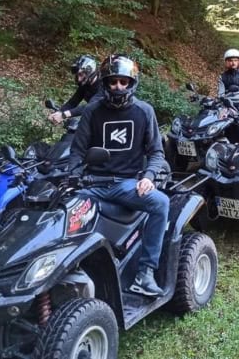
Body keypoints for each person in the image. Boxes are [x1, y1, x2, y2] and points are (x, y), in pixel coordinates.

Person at [68, 55, 169, 297]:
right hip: (92, 183)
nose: (118, 87)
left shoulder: (144, 111)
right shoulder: (92, 110)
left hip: (127, 184)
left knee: (161, 203)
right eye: (113, 82)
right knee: (61, 209)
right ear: (105, 82)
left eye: (123, 82)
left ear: (132, 82)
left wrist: (149, 176)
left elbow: (156, 152)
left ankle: (145, 272)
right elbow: (77, 150)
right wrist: (72, 176)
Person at [48, 55, 102, 124]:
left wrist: (64, 115)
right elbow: (73, 102)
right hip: (94, 117)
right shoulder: (85, 85)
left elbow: (91, 106)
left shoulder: (103, 85)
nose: (79, 79)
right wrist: (59, 112)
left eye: (81, 75)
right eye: (77, 75)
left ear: (89, 72)